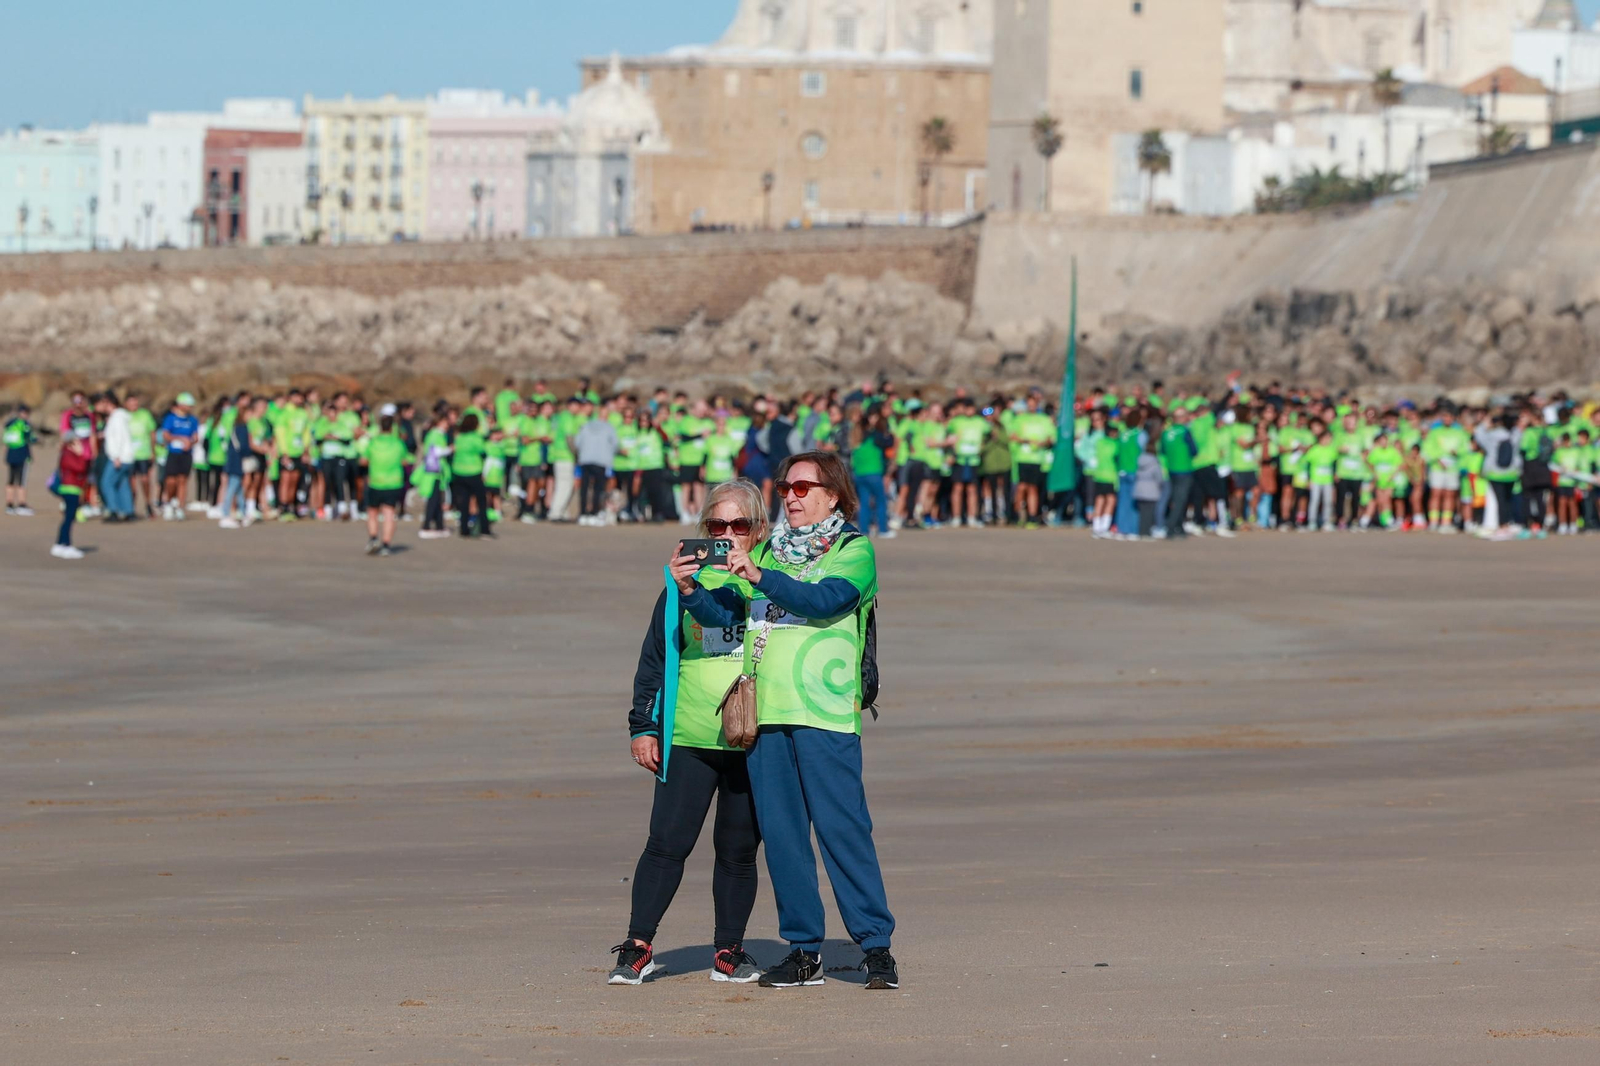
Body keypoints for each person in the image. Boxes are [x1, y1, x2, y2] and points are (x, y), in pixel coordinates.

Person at [684, 451, 897, 991]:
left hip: (824, 710)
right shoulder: (769, 548)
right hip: (766, 712)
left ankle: (875, 946)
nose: (792, 496)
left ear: (835, 494)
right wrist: (691, 590)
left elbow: (827, 601)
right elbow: (726, 618)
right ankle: (804, 950)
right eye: (785, 488)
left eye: (804, 487)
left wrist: (759, 574)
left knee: (842, 829)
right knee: (782, 837)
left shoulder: (855, 549)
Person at [608, 480, 772, 986]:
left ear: (758, 528)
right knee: (666, 843)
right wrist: (643, 726)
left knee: (739, 849)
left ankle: (729, 949)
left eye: (738, 526)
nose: (727, 535)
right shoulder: (680, 583)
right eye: (716, 526)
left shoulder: (773, 580)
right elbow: (655, 659)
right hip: (688, 735)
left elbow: (736, 619)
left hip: (753, 737)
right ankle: (637, 947)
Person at [362, 407, 407, 556]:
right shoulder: (398, 443)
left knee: (373, 512)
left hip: (376, 481)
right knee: (389, 513)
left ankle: (373, 538)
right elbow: (405, 460)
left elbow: (364, 460)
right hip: (394, 482)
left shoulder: (373, 442)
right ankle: (386, 545)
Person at [52, 423, 94, 559]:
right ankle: (66, 545)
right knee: (69, 518)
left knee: (68, 518)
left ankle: (60, 544)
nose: (79, 443)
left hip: (73, 488)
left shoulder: (67, 453)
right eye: (76, 441)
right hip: (70, 489)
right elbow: (81, 468)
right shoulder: (68, 454)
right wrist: (81, 454)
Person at [158, 392, 200, 520]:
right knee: (171, 481)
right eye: (188, 405)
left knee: (183, 480)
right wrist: (180, 438)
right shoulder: (170, 418)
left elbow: (195, 437)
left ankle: (180, 507)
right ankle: (169, 502)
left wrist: (190, 442)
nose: (190, 407)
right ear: (181, 404)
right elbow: (166, 435)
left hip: (186, 454)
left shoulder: (192, 420)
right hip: (173, 453)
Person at [100, 392, 137, 523]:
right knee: (123, 484)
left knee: (107, 483)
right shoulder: (119, 417)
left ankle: (113, 510)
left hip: (119, 458)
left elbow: (119, 438)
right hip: (126, 457)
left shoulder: (117, 417)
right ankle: (128, 511)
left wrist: (116, 457)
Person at [5, 403, 34, 515]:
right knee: (22, 481)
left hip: (10, 455)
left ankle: (9, 504)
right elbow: (30, 438)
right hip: (22, 455)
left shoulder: (10, 424)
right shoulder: (24, 424)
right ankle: (21, 504)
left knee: (11, 480)